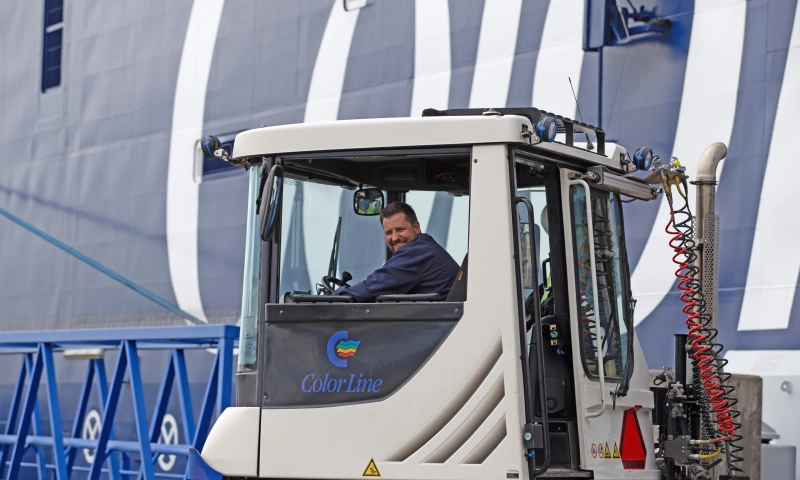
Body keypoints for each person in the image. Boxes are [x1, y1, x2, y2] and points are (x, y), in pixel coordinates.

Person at [335, 202, 460, 302]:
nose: (394, 238)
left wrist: (335, 297)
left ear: (416, 227)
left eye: (400, 230)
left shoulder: (414, 253)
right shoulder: (425, 246)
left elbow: (372, 287)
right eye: (389, 232)